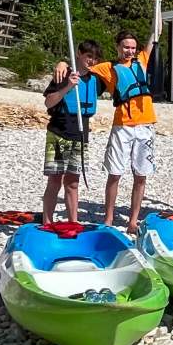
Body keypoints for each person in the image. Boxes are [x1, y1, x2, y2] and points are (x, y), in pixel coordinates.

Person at [56, 0, 163, 234]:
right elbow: (83, 62)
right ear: (118, 47)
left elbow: (156, 32)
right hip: (123, 125)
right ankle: (108, 219)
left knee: (140, 176)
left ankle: (133, 220)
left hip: (145, 124)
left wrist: (158, 2)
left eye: (132, 47)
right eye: (126, 47)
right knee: (115, 174)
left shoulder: (142, 60)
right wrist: (63, 63)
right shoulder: (107, 68)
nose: (129, 51)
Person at [43, 40, 102, 224]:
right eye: (88, 56)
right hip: (59, 133)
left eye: (94, 58)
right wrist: (67, 86)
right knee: (55, 180)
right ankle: (47, 222)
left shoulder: (95, 80)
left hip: (80, 136)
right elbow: (48, 102)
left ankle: (73, 222)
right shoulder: (64, 74)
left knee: (73, 183)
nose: (91, 61)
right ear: (79, 54)